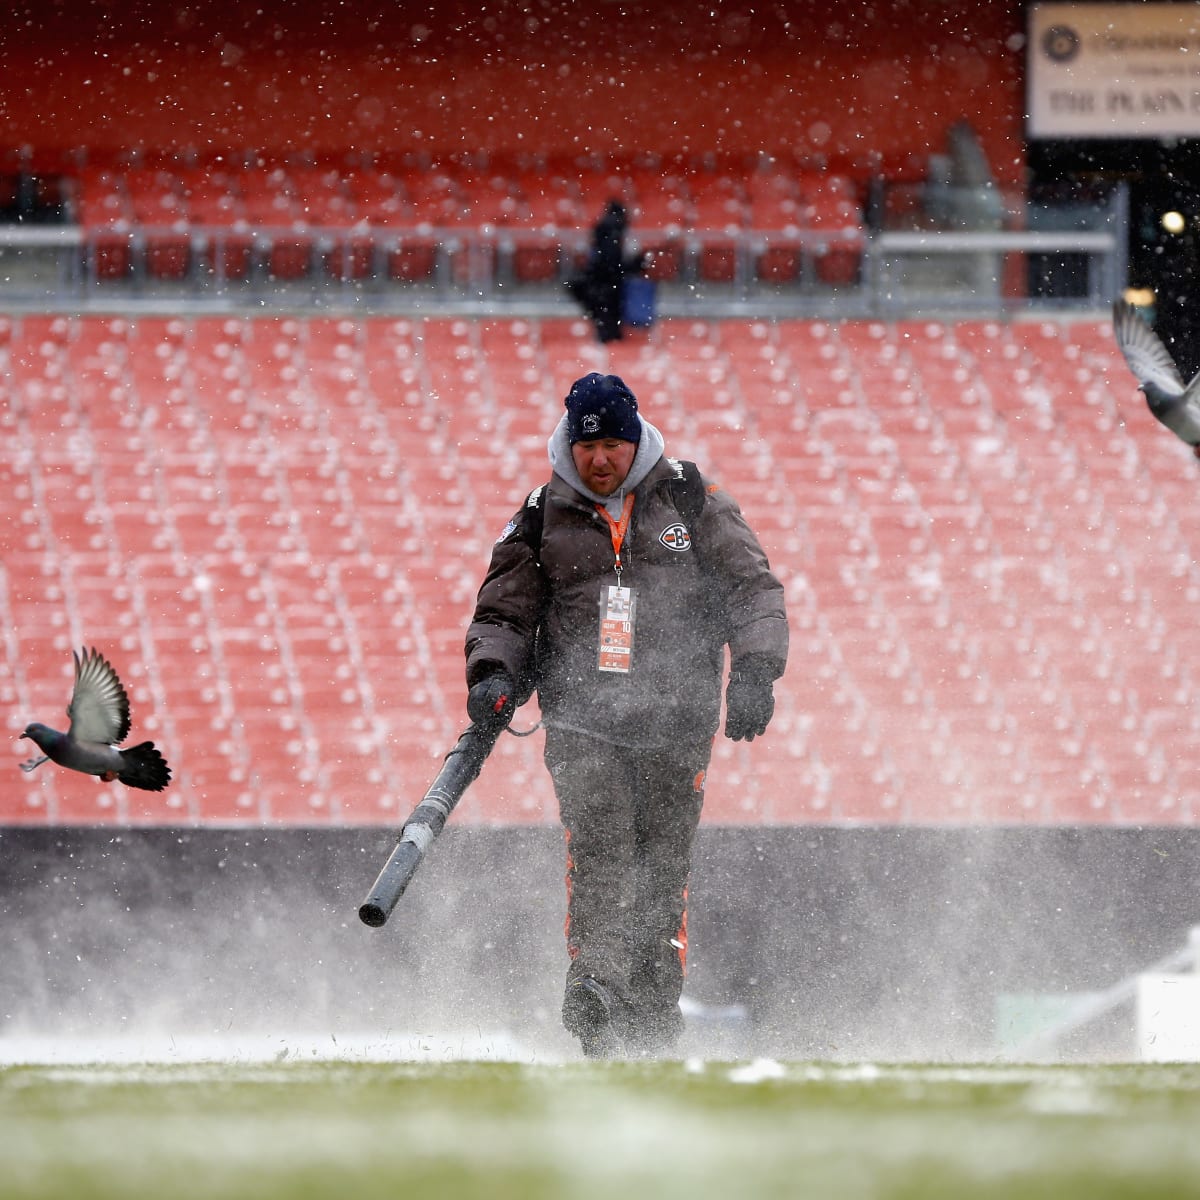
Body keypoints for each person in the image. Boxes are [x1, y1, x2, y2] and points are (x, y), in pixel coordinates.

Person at [464, 372, 789, 1058]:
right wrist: (492, 675)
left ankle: (649, 1015)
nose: (601, 458)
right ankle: (596, 993)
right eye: (589, 447)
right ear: (568, 446)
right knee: (604, 853)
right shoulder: (540, 514)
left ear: (635, 438)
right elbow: (504, 612)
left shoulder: (692, 499)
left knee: (662, 870)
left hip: (677, 724)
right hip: (583, 722)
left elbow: (752, 587)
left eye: (614, 442)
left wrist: (756, 671)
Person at [566, 199, 644, 343]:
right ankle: (610, 336)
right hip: (608, 281)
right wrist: (634, 265)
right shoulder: (614, 232)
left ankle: (607, 335)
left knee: (603, 311)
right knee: (609, 312)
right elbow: (613, 261)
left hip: (601, 280)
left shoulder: (603, 230)